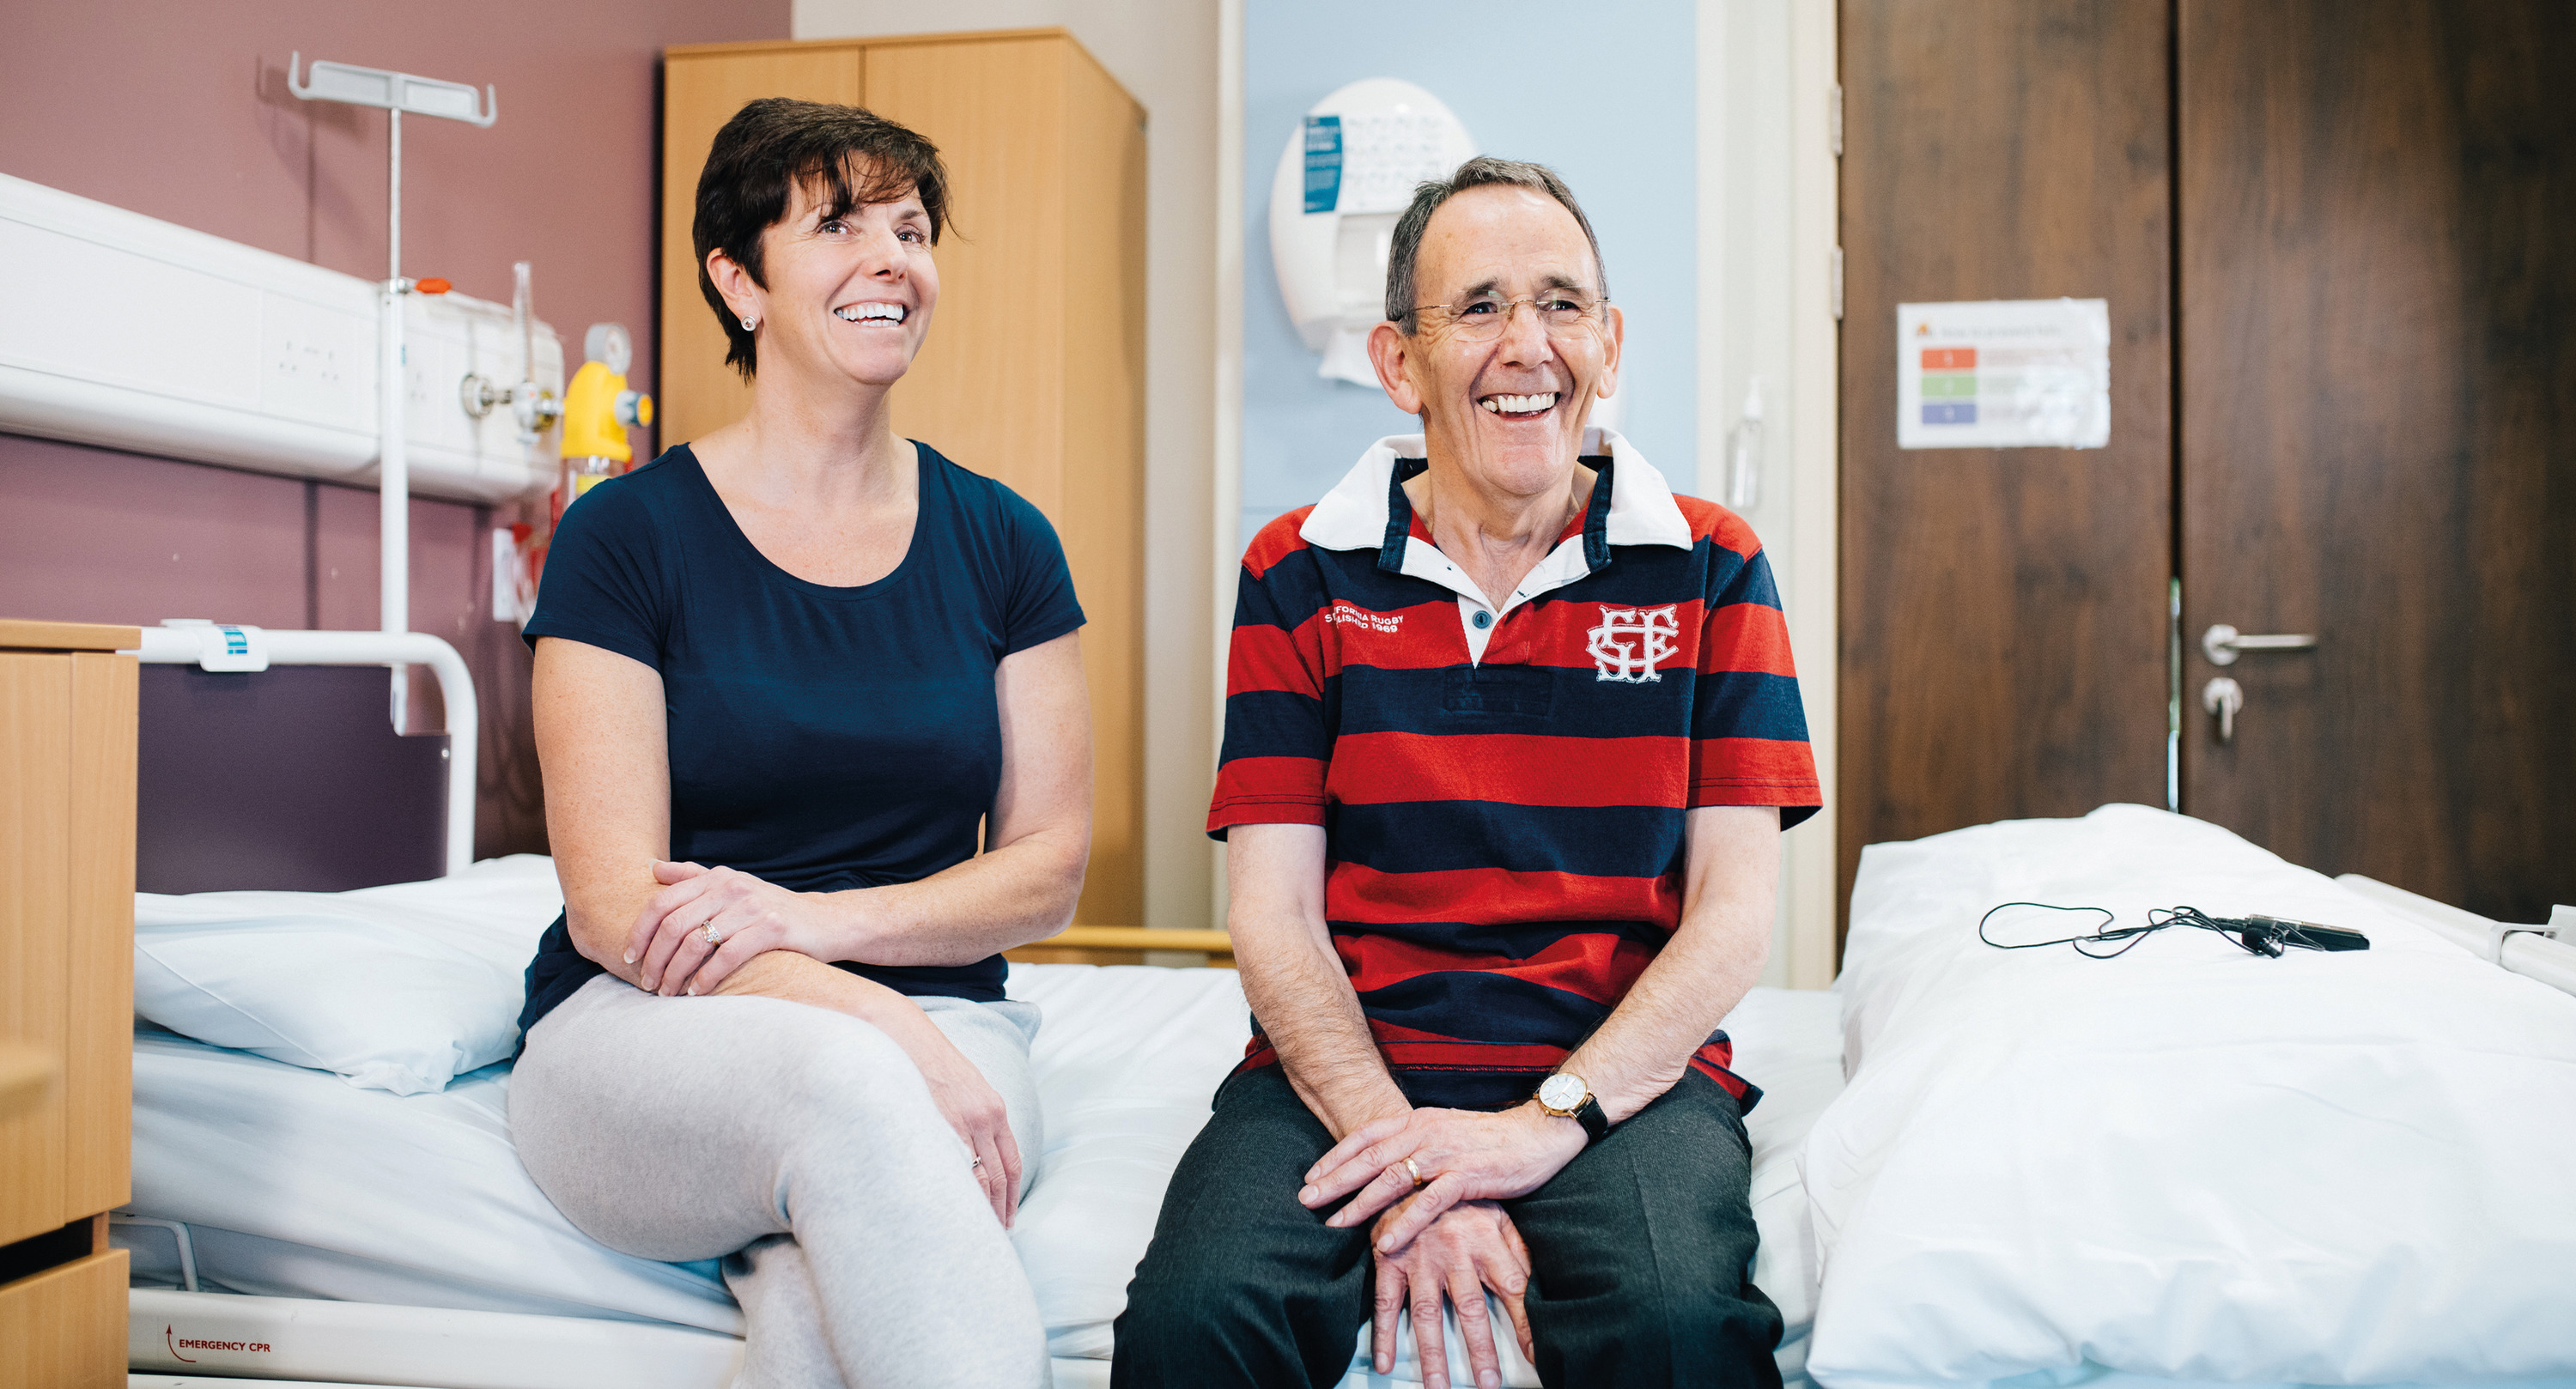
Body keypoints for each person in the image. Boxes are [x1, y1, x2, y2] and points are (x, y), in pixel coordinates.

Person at [1114, 157, 1822, 1389]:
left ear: (1609, 345)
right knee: (1193, 1325)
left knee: (1675, 1331)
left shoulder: (1714, 565)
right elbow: (1274, 919)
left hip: (1623, 1076)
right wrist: (1411, 1162)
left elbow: (1732, 918)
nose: (1527, 345)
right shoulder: (1296, 571)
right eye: (1480, 306)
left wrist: (1538, 1129)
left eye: (1562, 305)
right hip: (1347, 1069)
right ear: (1401, 363)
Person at [506, 98, 1090, 1388]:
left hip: (938, 1013)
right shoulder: (625, 539)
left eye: (912, 229)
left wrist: (821, 927)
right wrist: (886, 1026)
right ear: (739, 280)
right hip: (653, 1022)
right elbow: (615, 907)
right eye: (838, 226)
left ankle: (790, 1214)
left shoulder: (1005, 542)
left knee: (823, 1278)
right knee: (857, 1092)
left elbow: (1048, 868)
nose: (893, 260)